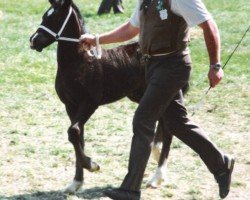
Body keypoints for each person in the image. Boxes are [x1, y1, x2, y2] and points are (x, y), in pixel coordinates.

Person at [80, 0, 235, 199]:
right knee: (177, 123)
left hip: (172, 66)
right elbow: (130, 29)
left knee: (143, 120)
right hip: (152, 66)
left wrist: (215, 65)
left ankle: (130, 189)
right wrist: (97, 39)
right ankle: (221, 164)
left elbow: (208, 24)